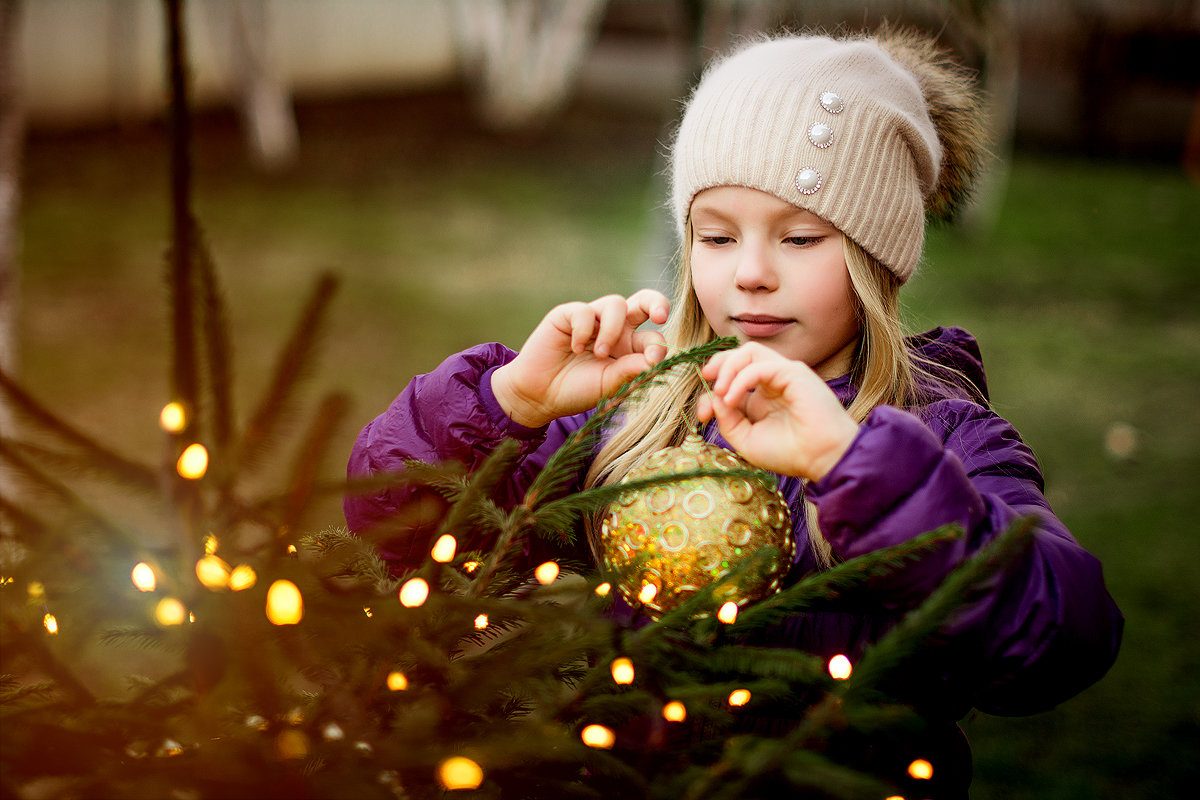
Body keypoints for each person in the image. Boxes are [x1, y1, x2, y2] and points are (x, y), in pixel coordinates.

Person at [345, 27, 1122, 798]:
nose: (750, 273)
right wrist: (508, 404)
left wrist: (856, 469)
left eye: (800, 237)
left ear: (873, 256)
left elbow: (1061, 641)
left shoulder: (944, 440)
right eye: (717, 235)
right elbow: (394, 533)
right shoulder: (636, 418)